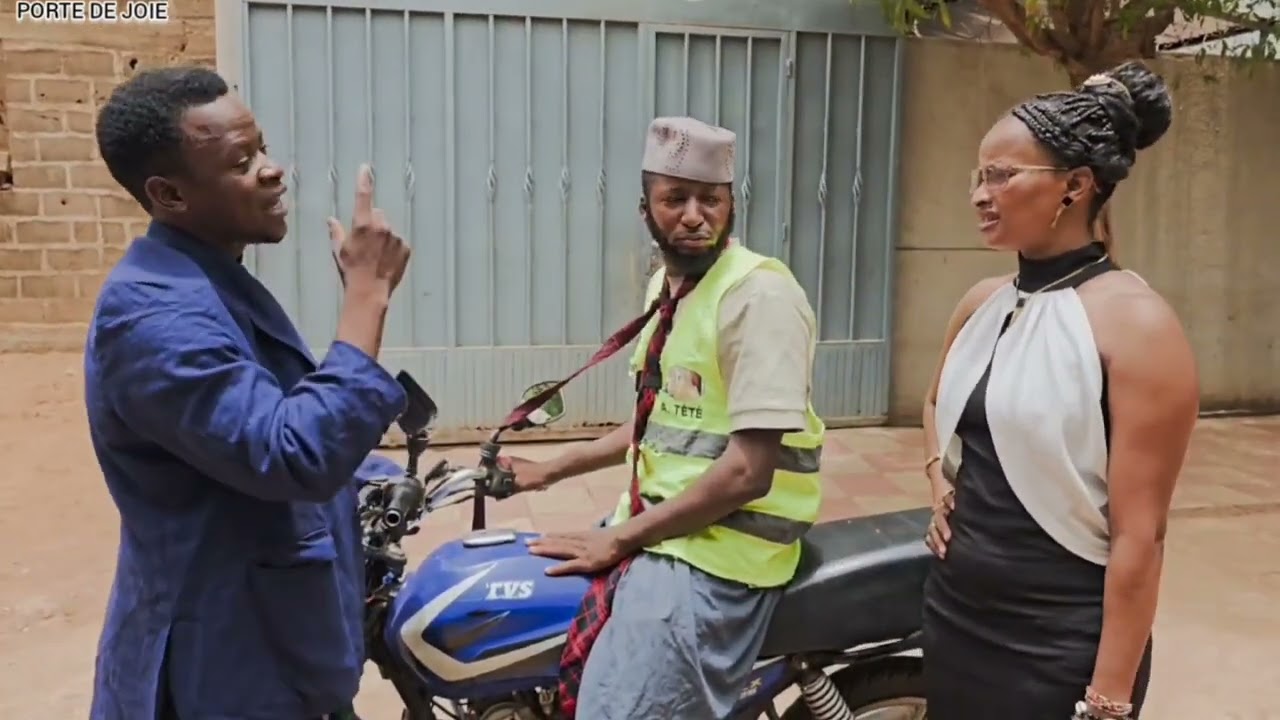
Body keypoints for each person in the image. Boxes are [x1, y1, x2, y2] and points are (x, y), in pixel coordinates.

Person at [84, 66, 412, 720]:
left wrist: (368, 475)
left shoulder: (208, 281)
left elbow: (247, 424)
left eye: (261, 147)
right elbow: (293, 453)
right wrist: (366, 299)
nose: (272, 169)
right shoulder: (153, 320)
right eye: (242, 161)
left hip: (275, 647)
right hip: (221, 674)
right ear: (169, 194)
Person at [503, 117, 825, 719]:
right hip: (665, 522)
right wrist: (549, 469)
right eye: (675, 199)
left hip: (722, 549)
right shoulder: (669, 285)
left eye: (712, 199)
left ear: (733, 204)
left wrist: (618, 539)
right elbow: (658, 420)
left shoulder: (760, 297)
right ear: (646, 207)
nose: (695, 215)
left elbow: (747, 473)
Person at [919, 61, 1199, 720]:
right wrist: (938, 479)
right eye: (978, 176)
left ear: (1075, 185)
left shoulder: (1137, 325)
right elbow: (936, 404)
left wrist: (1107, 698)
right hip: (954, 614)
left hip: (1055, 641)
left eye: (1002, 175)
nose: (980, 194)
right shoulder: (982, 303)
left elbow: (1140, 538)